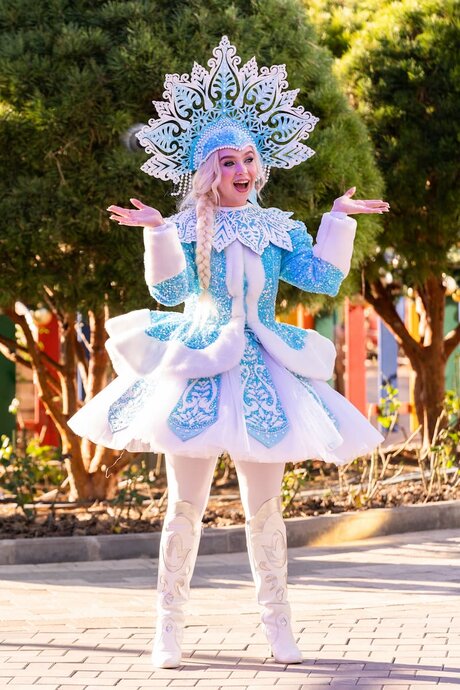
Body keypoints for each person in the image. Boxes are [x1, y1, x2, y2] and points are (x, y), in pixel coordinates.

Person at [68, 37, 388, 669]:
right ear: (208, 171)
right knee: (183, 507)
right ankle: (167, 629)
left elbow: (322, 278)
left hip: (266, 372)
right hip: (197, 367)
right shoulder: (187, 227)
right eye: (229, 160)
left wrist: (337, 219)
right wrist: (158, 232)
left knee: (265, 511)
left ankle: (278, 628)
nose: (243, 168)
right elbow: (170, 293)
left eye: (249, 158)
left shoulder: (276, 226)